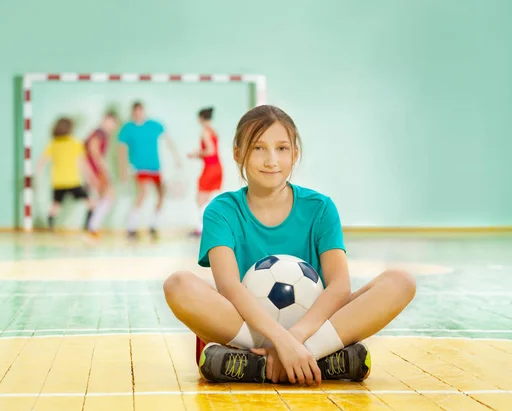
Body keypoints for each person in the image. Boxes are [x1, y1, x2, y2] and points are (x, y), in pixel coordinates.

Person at [163, 105, 416, 386]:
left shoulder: (320, 208)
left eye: (282, 148)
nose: (271, 159)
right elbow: (229, 288)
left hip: (311, 327)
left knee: (400, 282)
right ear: (237, 153)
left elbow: (339, 286)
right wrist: (279, 338)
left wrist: (295, 338)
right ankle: (315, 360)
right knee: (178, 285)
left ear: (295, 153)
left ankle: (270, 363)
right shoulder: (221, 210)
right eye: (258, 148)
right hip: (245, 327)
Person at [117, 101, 181, 239]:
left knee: (161, 194)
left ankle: (153, 225)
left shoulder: (154, 125)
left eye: (141, 111)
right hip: (139, 168)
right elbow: (121, 150)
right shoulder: (128, 128)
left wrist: (176, 158)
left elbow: (168, 140)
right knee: (143, 194)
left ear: (143, 111)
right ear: (133, 112)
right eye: (136, 111)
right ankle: (131, 228)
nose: (139, 114)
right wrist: (123, 170)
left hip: (155, 167)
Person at [36, 117, 96, 232]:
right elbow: (82, 163)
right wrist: (91, 177)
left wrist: (36, 176)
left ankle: (50, 226)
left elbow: (41, 162)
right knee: (91, 203)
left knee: (56, 206)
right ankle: (87, 225)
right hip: (73, 181)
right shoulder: (75, 143)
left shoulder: (53, 144)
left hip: (58, 182)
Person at [187, 107, 223, 237]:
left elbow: (210, 151)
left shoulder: (205, 132)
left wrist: (196, 154)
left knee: (201, 198)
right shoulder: (213, 131)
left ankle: (201, 228)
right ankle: (203, 226)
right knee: (206, 198)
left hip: (211, 167)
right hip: (217, 167)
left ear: (201, 118)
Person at [84, 111, 119, 237]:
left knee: (99, 199)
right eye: (111, 123)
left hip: (95, 171)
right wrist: (102, 171)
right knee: (107, 196)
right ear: (105, 120)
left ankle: (92, 227)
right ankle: (92, 227)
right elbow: (94, 153)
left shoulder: (102, 135)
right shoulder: (98, 134)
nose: (113, 126)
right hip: (95, 171)